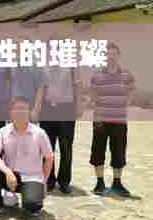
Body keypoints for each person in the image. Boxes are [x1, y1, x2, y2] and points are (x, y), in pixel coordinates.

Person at [0, 96, 54, 218]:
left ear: (29, 111)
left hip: (32, 177)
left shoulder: (39, 133)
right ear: (11, 112)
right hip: (10, 176)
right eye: (17, 109)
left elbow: (49, 158)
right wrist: (8, 172)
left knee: (32, 206)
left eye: (24, 109)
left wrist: (44, 181)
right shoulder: (3, 131)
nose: (21, 112)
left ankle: (29, 198)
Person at [89, 42, 136, 197]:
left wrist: (126, 103)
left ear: (118, 55)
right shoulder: (96, 75)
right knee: (98, 151)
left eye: (114, 54)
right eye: (108, 54)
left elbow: (132, 91)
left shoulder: (127, 74)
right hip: (100, 120)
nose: (111, 57)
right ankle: (99, 183)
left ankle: (117, 183)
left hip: (119, 121)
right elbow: (92, 94)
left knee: (119, 152)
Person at [40, 38, 83, 194]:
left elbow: (77, 85)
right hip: (47, 109)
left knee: (66, 146)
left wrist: (79, 105)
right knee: (47, 146)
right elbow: (41, 88)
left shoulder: (71, 64)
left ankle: (64, 181)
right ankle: (49, 179)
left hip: (66, 108)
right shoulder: (43, 65)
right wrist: (37, 108)